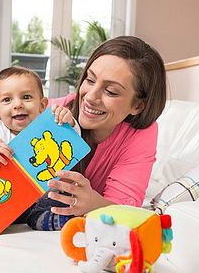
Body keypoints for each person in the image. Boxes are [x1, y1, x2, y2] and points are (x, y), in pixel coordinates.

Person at [42, 35, 167, 222]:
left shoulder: (140, 133)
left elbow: (125, 208)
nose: (90, 97)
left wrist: (93, 204)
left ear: (138, 106)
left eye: (111, 91)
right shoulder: (52, 111)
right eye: (90, 80)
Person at [0, 66, 80, 233]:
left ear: (42, 105)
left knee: (56, 202)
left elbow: (74, 138)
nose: (18, 105)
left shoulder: (50, 127)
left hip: (42, 199)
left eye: (26, 97)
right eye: (7, 100)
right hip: (6, 201)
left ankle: (46, 219)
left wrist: (69, 122)